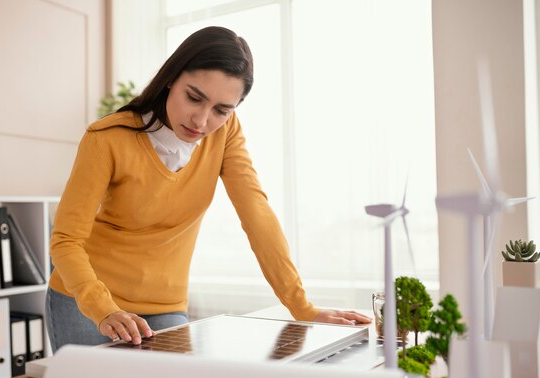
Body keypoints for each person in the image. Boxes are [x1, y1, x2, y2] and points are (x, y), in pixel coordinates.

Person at [45, 26, 371, 353]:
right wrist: (104, 309)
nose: (201, 121)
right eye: (194, 97)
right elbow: (66, 240)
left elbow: (256, 213)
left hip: (164, 305)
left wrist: (302, 308)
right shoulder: (108, 137)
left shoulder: (225, 132)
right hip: (85, 302)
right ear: (172, 78)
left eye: (221, 109)